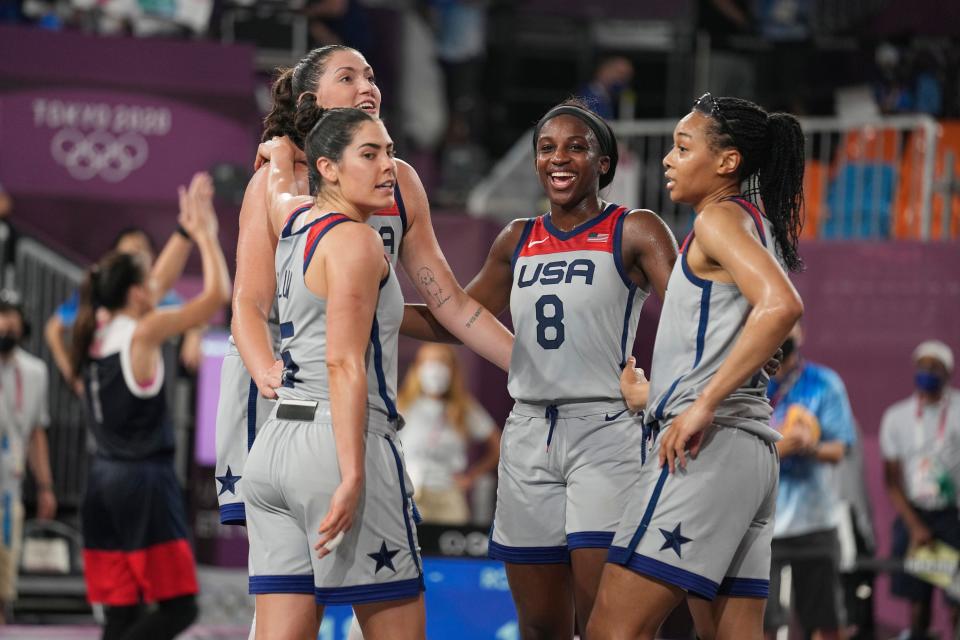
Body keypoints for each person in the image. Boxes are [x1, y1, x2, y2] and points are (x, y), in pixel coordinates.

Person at [402, 98, 679, 639]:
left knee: (607, 622)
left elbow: (694, 317)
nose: (559, 158)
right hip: (528, 432)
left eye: (576, 147)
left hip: (605, 432)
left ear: (604, 163)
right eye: (547, 148)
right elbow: (454, 319)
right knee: (540, 625)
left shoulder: (636, 228)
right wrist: (372, 307)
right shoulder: (516, 238)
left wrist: (671, 390)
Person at [218, 44, 511, 530]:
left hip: (359, 392)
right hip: (282, 387)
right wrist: (267, 371)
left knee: (355, 560)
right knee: (287, 566)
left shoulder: (400, 181)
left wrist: (535, 367)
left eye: (371, 76)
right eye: (348, 78)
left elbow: (453, 304)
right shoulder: (278, 183)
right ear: (312, 98)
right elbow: (247, 303)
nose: (367, 87)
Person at [588, 93, 805, 640]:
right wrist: (655, 398)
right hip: (750, 453)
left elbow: (782, 306)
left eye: (684, 147)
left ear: (728, 162)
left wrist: (699, 405)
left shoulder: (719, 219)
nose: (668, 158)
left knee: (613, 629)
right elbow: (737, 336)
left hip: (707, 449)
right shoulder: (755, 224)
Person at [246, 106, 424, 639]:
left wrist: (279, 154)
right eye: (369, 154)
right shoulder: (357, 240)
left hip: (275, 446)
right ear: (327, 166)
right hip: (338, 443)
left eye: (389, 151)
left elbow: (278, 193)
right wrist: (351, 476)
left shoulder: (295, 219)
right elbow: (344, 362)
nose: (387, 166)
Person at [73, 173, 229, 640]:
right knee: (179, 610)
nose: (155, 282)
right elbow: (217, 297)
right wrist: (206, 237)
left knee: (120, 615)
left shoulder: (97, 326)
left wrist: (183, 230)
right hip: (143, 485)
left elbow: (153, 280)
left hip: (101, 484)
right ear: (138, 295)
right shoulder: (144, 330)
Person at [763, 322, 856, 640]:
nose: (783, 336)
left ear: (800, 333)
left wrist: (809, 445)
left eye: (790, 328)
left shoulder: (824, 383)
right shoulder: (746, 381)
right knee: (758, 622)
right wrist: (780, 447)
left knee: (826, 623)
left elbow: (838, 449)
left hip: (814, 521)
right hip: (760, 523)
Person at [44, 224, 199, 396]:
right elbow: (215, 296)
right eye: (131, 253)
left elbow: (164, 288)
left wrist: (194, 332)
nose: (139, 257)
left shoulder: (143, 304)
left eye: (142, 251)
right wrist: (73, 378)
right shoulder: (130, 326)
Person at [880, 340, 960, 640]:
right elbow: (891, 481)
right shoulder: (896, 417)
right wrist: (914, 525)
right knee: (917, 603)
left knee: (957, 601)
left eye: (934, 367)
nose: (927, 371)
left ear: (948, 372)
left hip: (952, 519)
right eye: (922, 366)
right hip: (915, 517)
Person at [397, 343, 500, 525]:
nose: (434, 369)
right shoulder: (402, 404)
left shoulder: (464, 407)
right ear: (417, 367)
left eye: (441, 362)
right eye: (428, 362)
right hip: (411, 492)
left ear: (453, 369)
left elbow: (498, 445)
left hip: (449, 494)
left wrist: (471, 476)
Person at [0, 290, 56, 623]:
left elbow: (36, 432)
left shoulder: (35, 372)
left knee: (5, 581)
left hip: (10, 487)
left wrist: (46, 486)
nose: (6, 324)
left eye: (12, 316)